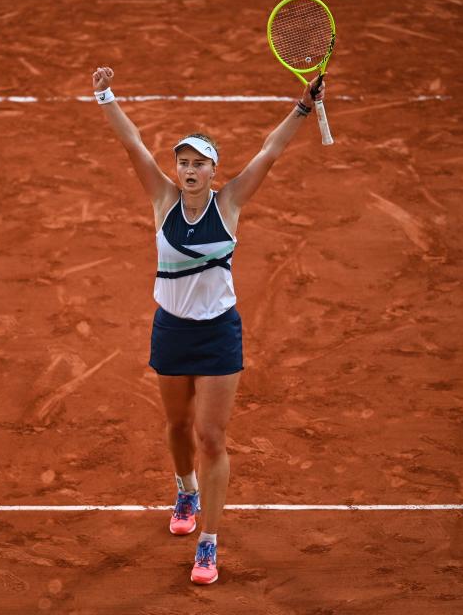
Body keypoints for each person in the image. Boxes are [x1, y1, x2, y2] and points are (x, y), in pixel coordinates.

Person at [92, 66, 325, 585]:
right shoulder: (162, 200)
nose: (189, 170)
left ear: (215, 171)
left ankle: (208, 543)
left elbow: (270, 152)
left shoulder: (231, 204)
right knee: (178, 428)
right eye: (183, 162)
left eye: (199, 163)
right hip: (172, 331)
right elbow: (132, 144)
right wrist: (106, 96)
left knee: (212, 436)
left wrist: (303, 108)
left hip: (219, 332)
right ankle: (185, 488)